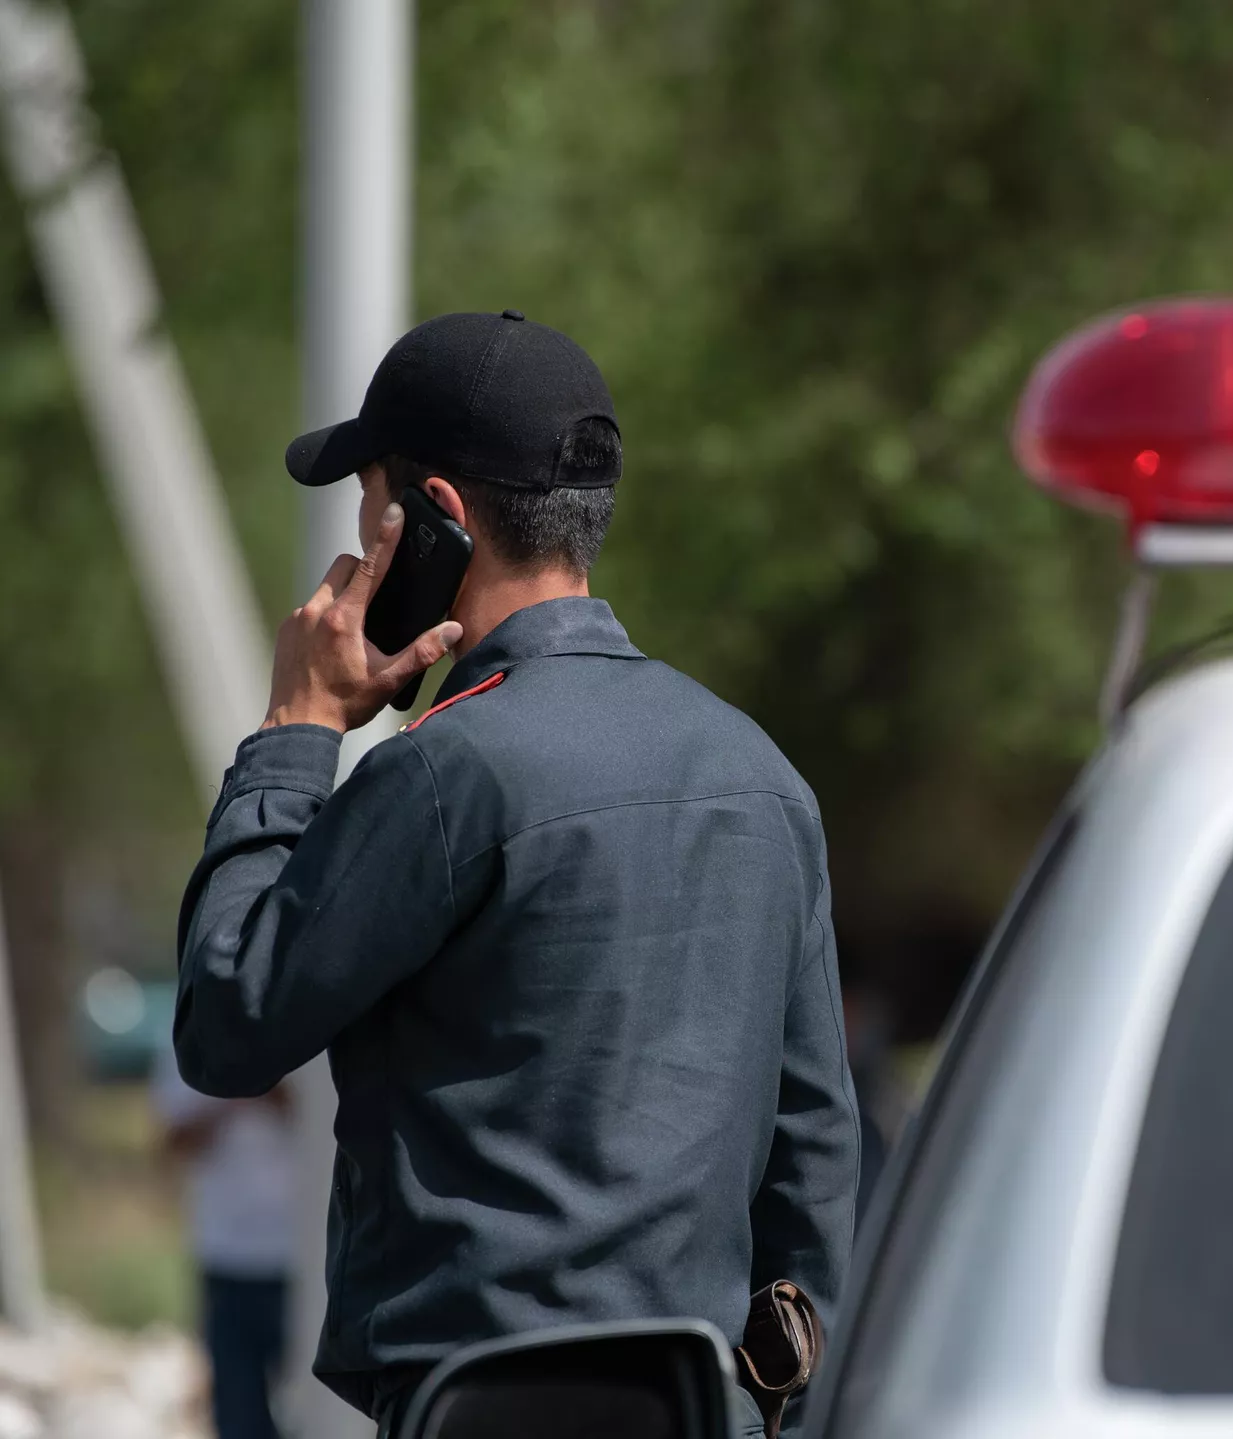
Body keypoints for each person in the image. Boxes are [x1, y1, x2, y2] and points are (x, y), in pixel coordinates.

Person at [173, 311, 860, 1437]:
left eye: (369, 500)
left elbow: (224, 1024)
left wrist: (294, 733)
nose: (355, 543)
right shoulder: (762, 774)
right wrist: (766, 1400)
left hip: (483, 1409)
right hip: (706, 1411)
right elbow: (814, 1145)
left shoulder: (440, 774)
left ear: (434, 516)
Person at [150, 1038, 296, 1439]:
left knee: (316, 1407)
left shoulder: (314, 1031)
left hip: (304, 1258)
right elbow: (172, 1140)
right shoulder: (192, 1034)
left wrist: (270, 1089)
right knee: (237, 1410)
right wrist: (229, 1098)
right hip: (226, 1255)